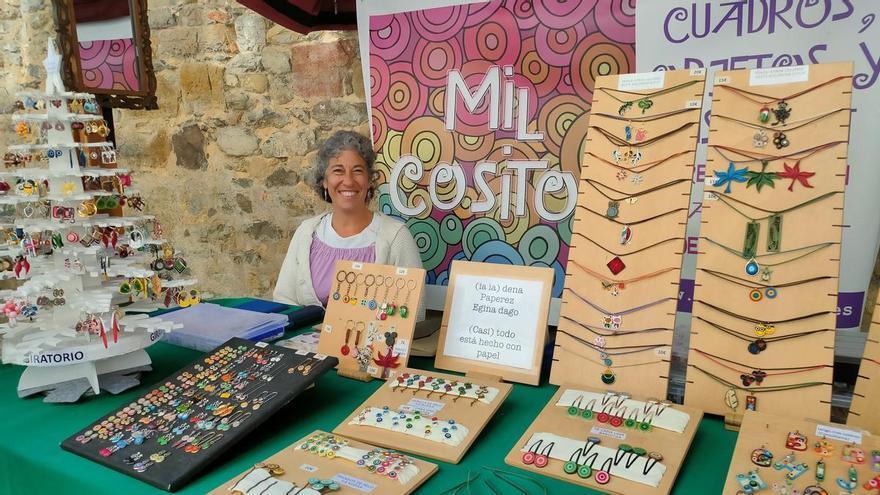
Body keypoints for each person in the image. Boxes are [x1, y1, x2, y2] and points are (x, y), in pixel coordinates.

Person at [273, 130, 424, 317]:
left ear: (370, 181)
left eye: (358, 171)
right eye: (338, 171)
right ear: (324, 182)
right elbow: (284, 300)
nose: (348, 181)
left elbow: (413, 315)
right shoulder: (306, 234)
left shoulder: (396, 238)